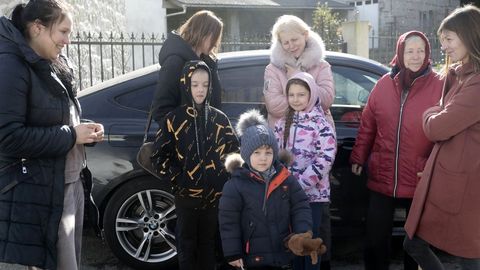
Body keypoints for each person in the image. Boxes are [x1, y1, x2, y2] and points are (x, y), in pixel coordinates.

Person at [0, 1, 104, 269]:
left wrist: (85, 130)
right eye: (63, 32)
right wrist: (72, 135)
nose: (68, 41)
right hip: (41, 190)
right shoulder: (12, 66)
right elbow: (8, 137)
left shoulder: (53, 62)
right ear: (37, 28)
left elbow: (55, 118)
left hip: (70, 182)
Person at [349, 30, 443, 270]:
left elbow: (446, 131)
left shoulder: (440, 85)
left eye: (420, 50)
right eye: (410, 51)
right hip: (383, 173)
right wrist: (359, 155)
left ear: (428, 53)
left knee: (415, 243)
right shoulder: (383, 85)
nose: (415, 56)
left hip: (420, 175)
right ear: (400, 53)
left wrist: (439, 168)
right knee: (375, 236)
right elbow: (368, 124)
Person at [403, 5, 480, 270]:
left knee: (468, 255)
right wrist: (436, 113)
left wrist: (430, 112)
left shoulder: (477, 82)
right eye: (442, 40)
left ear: (469, 35)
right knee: (414, 244)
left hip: (464, 186)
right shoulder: (459, 76)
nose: (444, 46)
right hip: (447, 179)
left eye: (448, 38)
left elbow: (437, 128)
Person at [151, 60, 239, 270]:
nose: (200, 89)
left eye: (205, 84)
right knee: (187, 245)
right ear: (185, 84)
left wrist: (223, 179)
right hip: (186, 197)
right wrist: (179, 180)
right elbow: (159, 157)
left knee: (209, 245)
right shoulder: (174, 119)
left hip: (214, 198)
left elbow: (234, 152)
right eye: (195, 84)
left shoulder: (220, 119)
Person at [219, 109, 327, 270]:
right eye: (257, 152)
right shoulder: (235, 185)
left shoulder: (285, 178)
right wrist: (233, 253)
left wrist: (302, 234)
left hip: (282, 255)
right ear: (247, 155)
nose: (263, 157)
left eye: (268, 152)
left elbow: (300, 206)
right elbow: (228, 222)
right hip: (251, 258)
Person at [273, 72, 336, 270]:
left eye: (301, 95)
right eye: (291, 95)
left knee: (310, 243)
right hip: (287, 195)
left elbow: (325, 157)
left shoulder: (321, 123)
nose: (296, 99)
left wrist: (300, 183)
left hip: (313, 197)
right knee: (295, 243)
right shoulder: (282, 123)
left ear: (311, 95)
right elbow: (273, 155)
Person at [151, 10, 223, 123]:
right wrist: (185, 135)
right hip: (182, 139)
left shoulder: (208, 64)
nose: (215, 44)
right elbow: (161, 109)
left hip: (205, 138)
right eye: (214, 37)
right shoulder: (175, 62)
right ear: (201, 33)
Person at [264, 15, 334, 128]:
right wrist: (309, 102)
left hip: (318, 138)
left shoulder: (322, 66)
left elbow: (326, 101)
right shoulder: (272, 69)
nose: (291, 46)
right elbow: (274, 106)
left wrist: (299, 76)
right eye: (285, 42)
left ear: (305, 35)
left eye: (294, 39)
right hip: (283, 138)